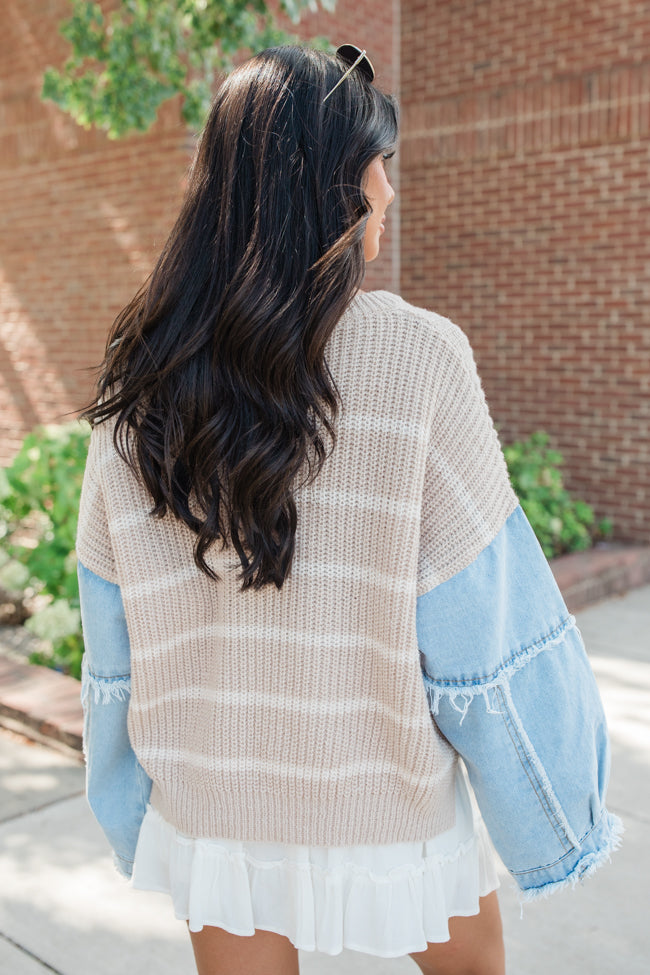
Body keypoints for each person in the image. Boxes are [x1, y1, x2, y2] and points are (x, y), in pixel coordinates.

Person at [75, 44, 621, 975]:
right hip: (386, 803)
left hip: (217, 816)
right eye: (380, 166)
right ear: (330, 186)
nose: (389, 193)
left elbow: (112, 653)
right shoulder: (419, 360)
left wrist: (129, 807)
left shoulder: (140, 380)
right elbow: (488, 636)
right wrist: (553, 818)